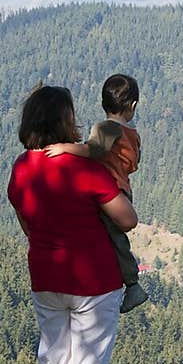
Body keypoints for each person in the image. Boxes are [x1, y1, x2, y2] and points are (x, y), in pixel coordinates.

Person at [7, 84, 138, 364]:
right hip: (95, 281)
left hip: (46, 278)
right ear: (65, 121)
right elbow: (126, 219)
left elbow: (26, 221)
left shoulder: (22, 167)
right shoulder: (85, 168)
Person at [45, 73, 148, 313]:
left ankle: (132, 284)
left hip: (109, 192)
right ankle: (130, 283)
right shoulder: (132, 135)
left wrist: (64, 149)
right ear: (132, 106)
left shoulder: (107, 128)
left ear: (103, 103)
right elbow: (134, 164)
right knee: (116, 239)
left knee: (109, 236)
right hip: (122, 188)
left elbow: (93, 150)